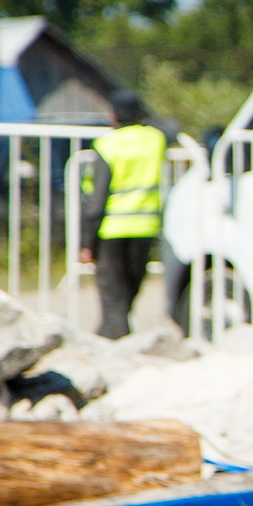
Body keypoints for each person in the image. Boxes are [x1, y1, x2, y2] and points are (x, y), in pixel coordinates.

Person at [75, 91, 166, 339]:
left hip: (112, 229)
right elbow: (172, 126)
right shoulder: (154, 139)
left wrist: (87, 242)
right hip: (146, 226)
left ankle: (114, 346)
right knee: (128, 293)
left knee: (113, 296)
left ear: (112, 114)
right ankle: (118, 338)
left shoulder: (108, 144)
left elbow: (96, 201)